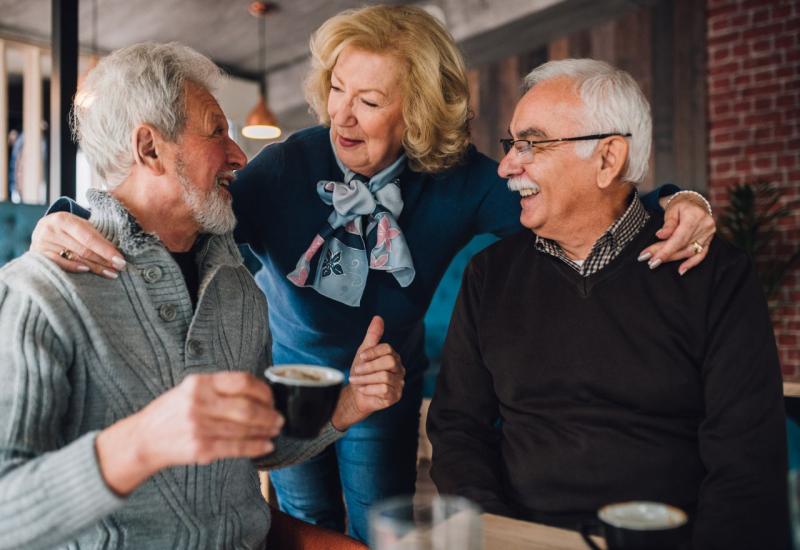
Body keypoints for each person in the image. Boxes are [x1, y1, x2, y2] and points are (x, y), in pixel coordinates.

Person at [29, 5, 717, 542]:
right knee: (306, 523)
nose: (340, 113)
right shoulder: (283, 168)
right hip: (292, 384)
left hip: (383, 383)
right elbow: (172, 208)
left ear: (414, 110)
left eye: (370, 99)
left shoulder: (459, 182)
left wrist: (677, 203)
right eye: (336, 88)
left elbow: (573, 201)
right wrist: (63, 216)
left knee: (381, 528)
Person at [0, 42, 405, 549]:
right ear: (150, 149)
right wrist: (141, 442)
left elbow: (251, 443)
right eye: (217, 131)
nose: (239, 156)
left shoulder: (238, 286)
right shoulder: (42, 291)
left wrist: (350, 403)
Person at [427, 58, 788, 549]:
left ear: (607, 158)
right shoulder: (489, 275)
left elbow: (746, 462)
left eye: (532, 143)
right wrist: (495, 531)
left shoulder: (714, 274)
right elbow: (457, 428)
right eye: (512, 144)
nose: (509, 165)